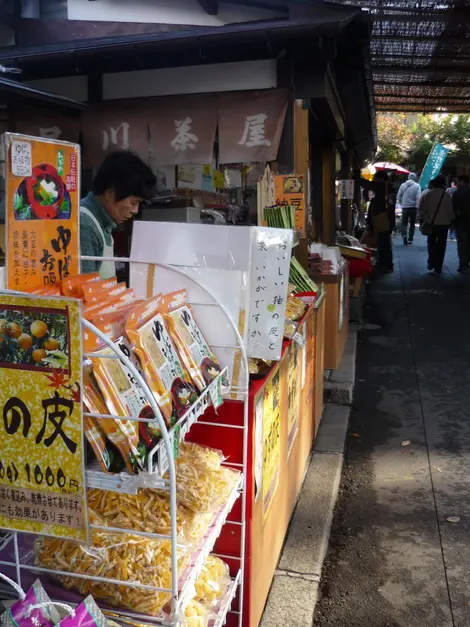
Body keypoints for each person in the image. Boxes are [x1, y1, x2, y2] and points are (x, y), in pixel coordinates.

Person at [80, 151, 156, 278]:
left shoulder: (103, 223)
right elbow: (82, 289)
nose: (135, 210)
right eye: (133, 202)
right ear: (110, 193)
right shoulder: (85, 225)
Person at [419, 175, 454, 275]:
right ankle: (438, 266)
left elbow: (422, 210)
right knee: (441, 245)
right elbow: (450, 212)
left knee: (431, 243)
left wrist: (423, 220)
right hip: (444, 224)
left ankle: (431, 262)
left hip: (431, 223)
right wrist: (452, 221)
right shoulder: (447, 196)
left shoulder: (428, 195)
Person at [360, 171, 395, 273]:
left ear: (381, 179)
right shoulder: (387, 187)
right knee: (383, 242)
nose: (374, 180)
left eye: (375, 178)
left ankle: (386, 264)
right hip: (385, 218)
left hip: (383, 218)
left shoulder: (383, 186)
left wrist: (356, 178)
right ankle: (384, 263)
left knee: (383, 242)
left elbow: (368, 185)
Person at [452, 174, 470, 272]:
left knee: (462, 244)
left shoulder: (457, 193)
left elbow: (455, 209)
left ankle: (463, 265)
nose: (456, 184)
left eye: (457, 182)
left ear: (462, 182)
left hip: (461, 223)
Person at [397, 173, 421, 245]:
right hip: (413, 207)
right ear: (415, 178)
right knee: (412, 224)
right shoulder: (417, 186)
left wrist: (402, 203)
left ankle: (404, 234)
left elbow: (398, 196)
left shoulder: (402, 185)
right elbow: (418, 197)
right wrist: (418, 206)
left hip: (405, 207)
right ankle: (410, 239)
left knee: (404, 223)